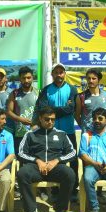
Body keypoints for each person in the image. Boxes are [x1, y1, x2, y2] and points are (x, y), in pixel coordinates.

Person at [16, 106, 76, 212]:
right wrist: (37, 161)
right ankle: (31, 211)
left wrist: (57, 160)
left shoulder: (61, 134)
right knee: (22, 173)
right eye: (47, 119)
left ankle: (60, 210)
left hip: (55, 168)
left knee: (70, 174)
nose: (50, 122)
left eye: (53, 119)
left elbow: (73, 152)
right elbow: (21, 153)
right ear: (40, 119)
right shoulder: (30, 134)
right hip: (36, 168)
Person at [33, 63, 78, 201]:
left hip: (68, 130)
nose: (59, 75)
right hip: (51, 132)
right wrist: (62, 108)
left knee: (73, 159)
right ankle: (55, 190)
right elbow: (42, 109)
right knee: (53, 159)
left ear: (64, 73)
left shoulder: (72, 89)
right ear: (52, 74)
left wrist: (52, 109)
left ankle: (73, 189)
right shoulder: (46, 90)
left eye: (61, 72)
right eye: (56, 72)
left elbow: (71, 109)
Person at [7, 66, 39, 156]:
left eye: (28, 78)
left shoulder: (39, 92)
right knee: (21, 159)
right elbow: (9, 112)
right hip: (20, 133)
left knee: (35, 158)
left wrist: (36, 124)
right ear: (20, 79)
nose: (26, 80)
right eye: (23, 78)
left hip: (36, 132)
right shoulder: (14, 93)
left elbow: (43, 112)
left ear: (32, 78)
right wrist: (21, 119)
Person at [75, 69, 106, 133]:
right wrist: (84, 127)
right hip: (88, 134)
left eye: (94, 78)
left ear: (99, 80)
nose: (91, 81)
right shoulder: (81, 96)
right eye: (89, 78)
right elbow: (76, 115)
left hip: (103, 134)